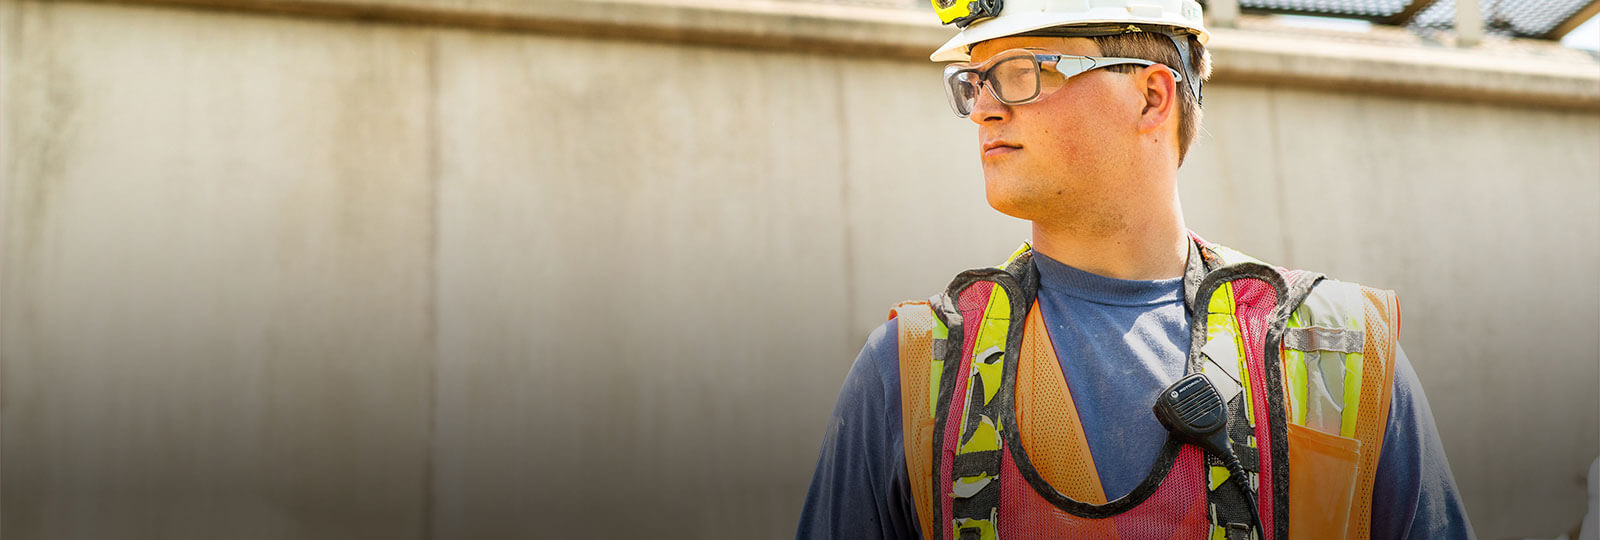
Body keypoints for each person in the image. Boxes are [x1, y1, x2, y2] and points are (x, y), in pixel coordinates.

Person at [796, 0, 1474, 538]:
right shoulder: (913, 367)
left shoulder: (1337, 349)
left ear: (1153, 97)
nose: (984, 107)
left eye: (1024, 70)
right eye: (975, 80)